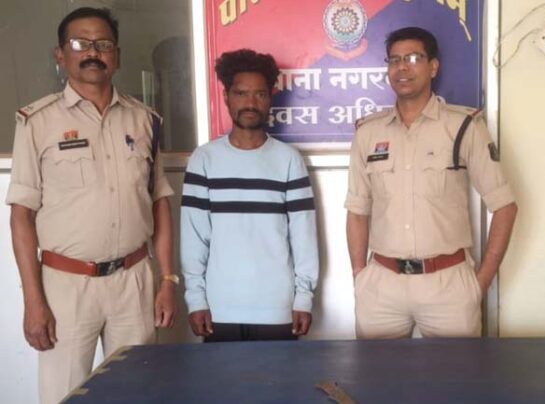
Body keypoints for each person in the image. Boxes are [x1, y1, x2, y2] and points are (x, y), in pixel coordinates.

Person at [7, 7, 178, 403]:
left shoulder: (145, 120)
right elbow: (21, 217)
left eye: (103, 44)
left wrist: (168, 280)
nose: (92, 53)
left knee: (138, 393)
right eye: (80, 43)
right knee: (63, 395)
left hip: (134, 281)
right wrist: (33, 300)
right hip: (66, 287)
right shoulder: (37, 122)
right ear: (60, 54)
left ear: (116, 55)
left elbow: (159, 205)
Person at [346, 27, 518, 339]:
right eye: (394, 60)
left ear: (433, 67)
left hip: (448, 285)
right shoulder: (368, 133)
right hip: (382, 286)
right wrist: (360, 275)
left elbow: (505, 206)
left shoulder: (463, 126)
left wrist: (481, 282)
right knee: (376, 371)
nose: (402, 67)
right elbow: (358, 210)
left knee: (456, 372)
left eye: (413, 58)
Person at [181, 49, 319, 342]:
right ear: (226, 97)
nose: (250, 103)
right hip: (219, 308)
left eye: (259, 94)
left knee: (279, 375)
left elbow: (303, 237)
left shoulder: (288, 160)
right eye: (241, 93)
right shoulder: (204, 159)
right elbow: (194, 237)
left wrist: (303, 298)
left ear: (270, 98)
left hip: (278, 308)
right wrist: (196, 299)